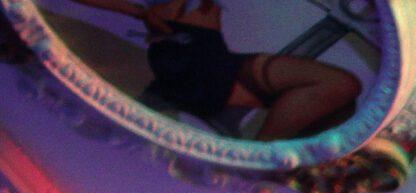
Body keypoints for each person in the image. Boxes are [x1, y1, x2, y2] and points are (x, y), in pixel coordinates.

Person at [53, 0, 360, 141]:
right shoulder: (163, 13)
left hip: (215, 58)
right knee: (340, 86)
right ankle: (261, 152)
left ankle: (262, 151)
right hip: (190, 57)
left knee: (341, 101)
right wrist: (139, 12)